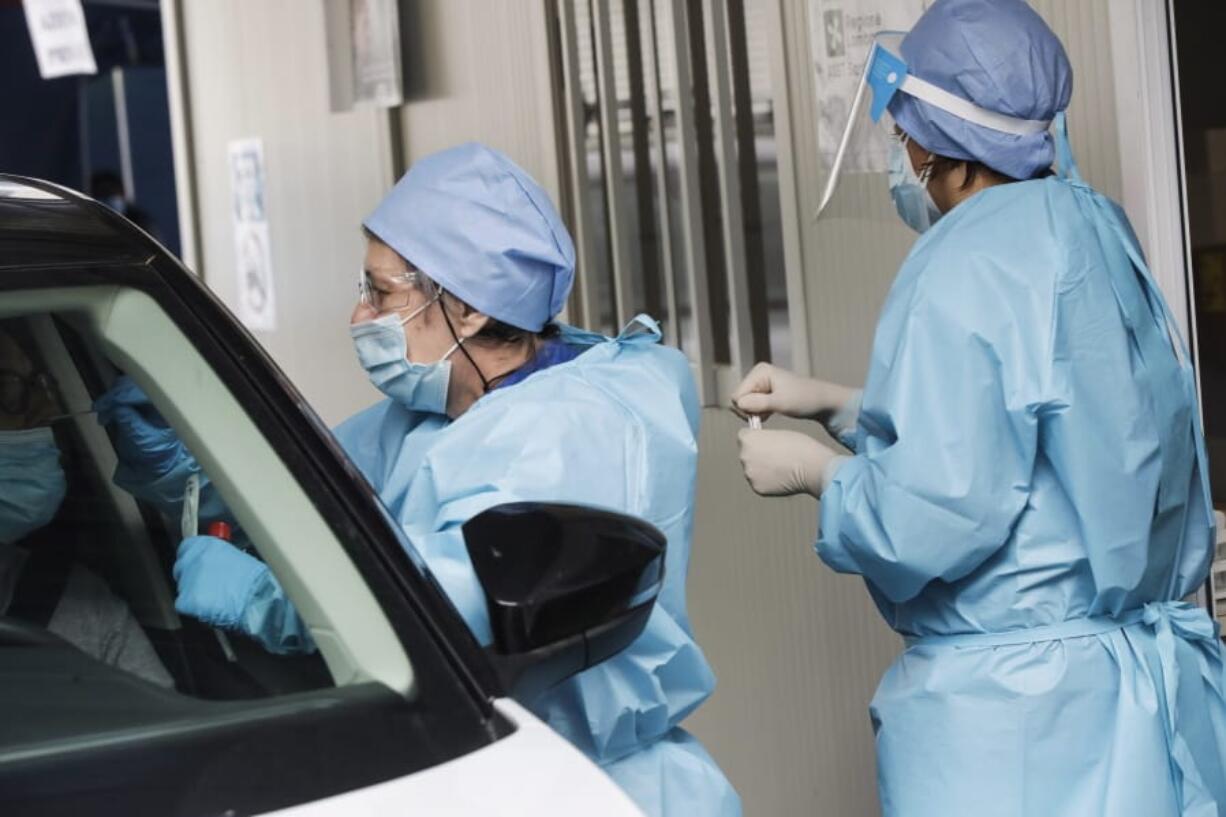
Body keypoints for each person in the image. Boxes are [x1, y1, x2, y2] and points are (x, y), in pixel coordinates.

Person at [96, 143, 741, 817]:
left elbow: (442, 612)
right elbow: (302, 488)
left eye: (380, 292)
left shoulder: (568, 436)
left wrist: (269, 598)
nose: (359, 317)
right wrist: (181, 457)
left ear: (465, 310)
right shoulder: (439, 414)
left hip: (582, 788)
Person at [733, 1, 1224, 815]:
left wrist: (825, 475)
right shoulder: (1092, 225)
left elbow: (931, 517)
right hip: (1120, 701)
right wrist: (845, 406)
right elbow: (1063, 426)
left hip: (1018, 721)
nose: (904, 156)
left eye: (907, 137)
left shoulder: (961, 264)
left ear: (951, 150)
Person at [0, 328, 173, 689]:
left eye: (41, 385)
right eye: (8, 389)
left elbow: (169, 736)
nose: (48, 411)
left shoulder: (74, 601)